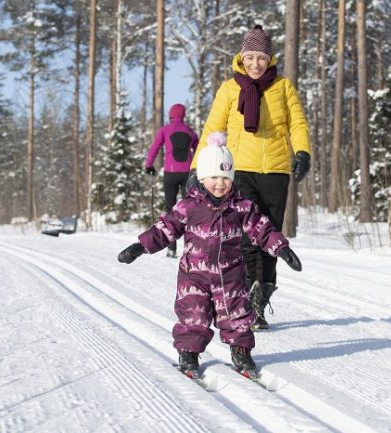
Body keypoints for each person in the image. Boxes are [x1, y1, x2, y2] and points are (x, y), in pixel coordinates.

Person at [117, 133, 302, 376]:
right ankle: (189, 352)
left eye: (225, 177)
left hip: (231, 275)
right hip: (194, 276)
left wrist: (282, 248)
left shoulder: (241, 206)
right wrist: (140, 247)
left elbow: (261, 228)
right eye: (214, 177)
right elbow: (165, 229)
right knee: (193, 316)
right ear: (203, 177)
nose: (220, 183)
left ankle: (241, 351)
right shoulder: (188, 207)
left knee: (238, 315)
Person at [190, 25, 311, 330]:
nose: (256, 63)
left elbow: (297, 123)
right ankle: (243, 299)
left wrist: (302, 153)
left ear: (269, 59)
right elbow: (212, 129)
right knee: (245, 238)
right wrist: (197, 168)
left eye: (261, 57)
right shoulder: (230, 89)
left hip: (275, 171)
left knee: (270, 236)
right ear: (241, 58)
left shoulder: (283, 87)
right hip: (239, 171)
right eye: (250, 57)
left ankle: (260, 301)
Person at [145, 103, 199, 258]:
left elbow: (155, 147)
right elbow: (198, 151)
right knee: (190, 211)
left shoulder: (164, 130)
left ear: (170, 114)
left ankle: (171, 248)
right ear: (183, 115)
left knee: (170, 210)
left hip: (170, 173)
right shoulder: (190, 131)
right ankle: (191, 247)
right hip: (188, 174)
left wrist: (149, 165)